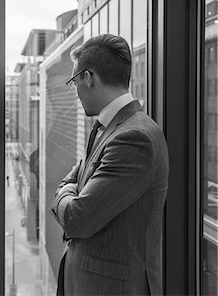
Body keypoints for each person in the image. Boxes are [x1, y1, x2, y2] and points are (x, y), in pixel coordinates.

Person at [49, 34, 169, 295]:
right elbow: (78, 178)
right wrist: (72, 188)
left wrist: (62, 193)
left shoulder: (134, 138)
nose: (76, 93)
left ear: (88, 78)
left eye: (74, 82)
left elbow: (76, 218)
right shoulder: (109, 129)